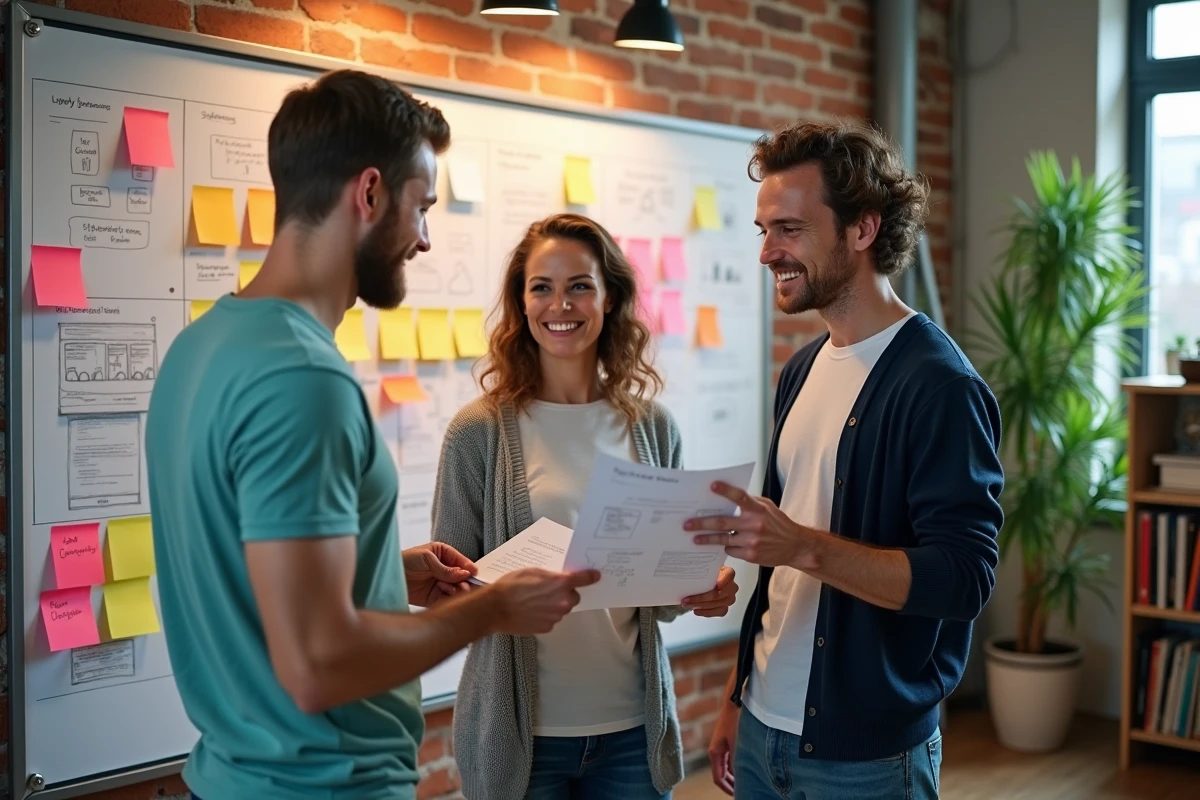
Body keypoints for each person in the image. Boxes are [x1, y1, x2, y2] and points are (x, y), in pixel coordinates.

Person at [145, 70, 599, 800]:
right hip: (323, 785)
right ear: (369, 194)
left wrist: (383, 572)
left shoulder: (201, 348)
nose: (424, 240)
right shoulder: (303, 379)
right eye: (421, 208)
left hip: (232, 776)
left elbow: (251, 572)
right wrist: (492, 608)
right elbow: (319, 665)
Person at [687, 120, 1005, 798]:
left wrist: (804, 546)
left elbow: (963, 579)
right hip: (762, 728)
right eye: (763, 230)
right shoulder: (801, 370)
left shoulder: (939, 385)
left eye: (789, 230)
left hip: (868, 760)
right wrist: (737, 696)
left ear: (863, 229)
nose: (767, 253)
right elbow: (780, 573)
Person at [431, 212, 740, 800]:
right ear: (522, 304)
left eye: (579, 285)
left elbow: (659, 591)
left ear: (609, 297)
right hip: (521, 740)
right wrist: (503, 596)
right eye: (541, 288)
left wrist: (700, 585)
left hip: (631, 732)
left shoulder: (653, 427)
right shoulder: (477, 433)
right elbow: (447, 590)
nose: (560, 305)